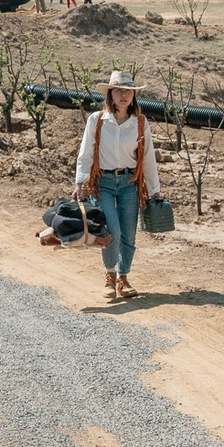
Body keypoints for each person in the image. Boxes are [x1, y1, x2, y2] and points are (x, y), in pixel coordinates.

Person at [73, 70, 160, 302]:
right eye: (119, 91)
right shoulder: (97, 120)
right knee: (113, 230)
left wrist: (154, 190)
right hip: (103, 182)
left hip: (130, 182)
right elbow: (86, 153)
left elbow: (148, 157)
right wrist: (80, 182)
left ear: (133, 96)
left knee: (129, 234)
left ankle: (124, 278)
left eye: (128, 92)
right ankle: (110, 275)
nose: (124, 96)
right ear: (110, 95)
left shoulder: (140, 123)